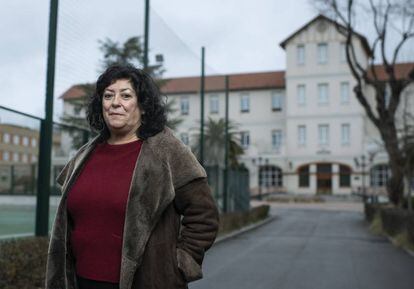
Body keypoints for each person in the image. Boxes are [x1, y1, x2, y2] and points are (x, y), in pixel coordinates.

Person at [45, 64, 220, 289]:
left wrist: (179, 265)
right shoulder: (85, 154)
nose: (115, 102)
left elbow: (204, 215)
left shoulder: (166, 150)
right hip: (80, 281)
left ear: (143, 106)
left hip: (147, 282)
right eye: (108, 96)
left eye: (126, 95)